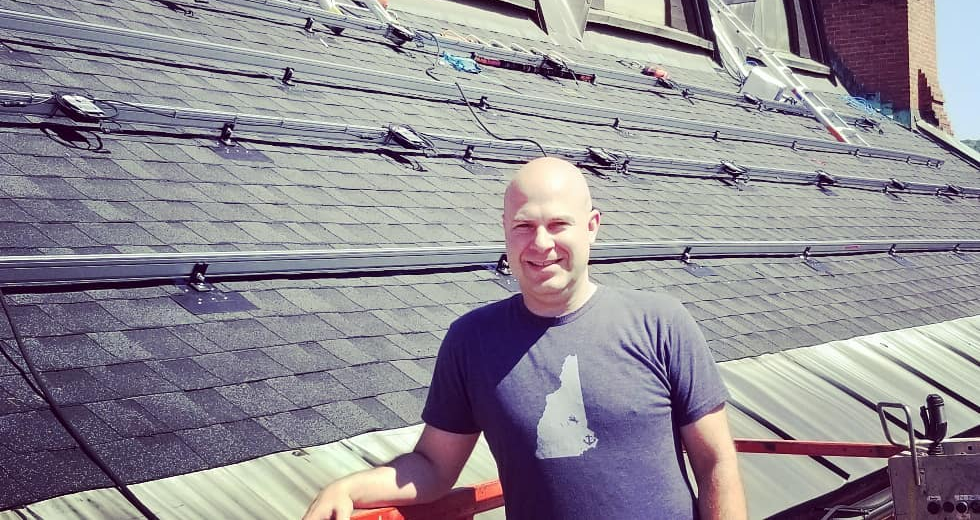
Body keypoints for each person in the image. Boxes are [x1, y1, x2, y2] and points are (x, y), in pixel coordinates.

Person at [302, 157, 747, 520]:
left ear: (592, 226)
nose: (540, 243)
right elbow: (435, 466)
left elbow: (715, 463)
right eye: (523, 226)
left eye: (558, 224)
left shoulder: (661, 323)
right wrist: (349, 487)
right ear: (504, 230)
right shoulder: (472, 341)